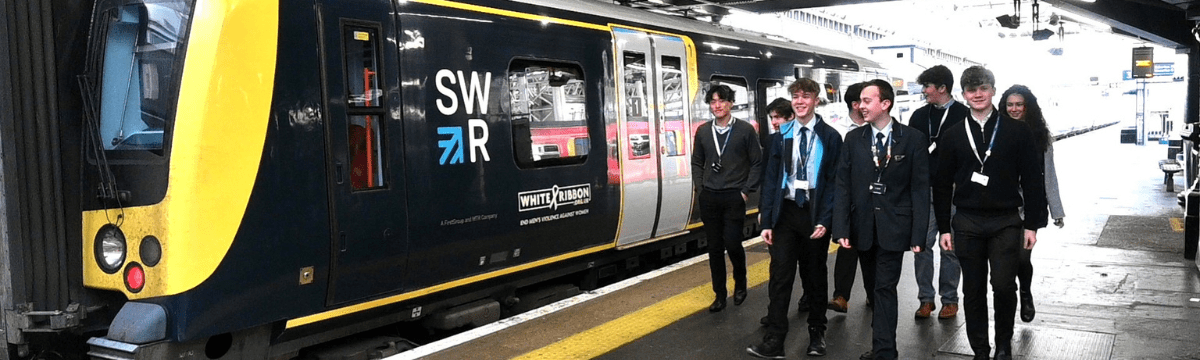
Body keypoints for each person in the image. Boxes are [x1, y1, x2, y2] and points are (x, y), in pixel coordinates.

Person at [934, 66, 1047, 360]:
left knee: (1003, 285)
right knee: (972, 290)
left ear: (993, 91)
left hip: (1007, 221)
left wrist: (1032, 224)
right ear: (964, 95)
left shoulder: (1016, 131)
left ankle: (1004, 344)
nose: (978, 95)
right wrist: (944, 228)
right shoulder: (953, 134)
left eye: (983, 89)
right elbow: (942, 184)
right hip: (967, 221)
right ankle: (980, 350)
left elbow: (1033, 179)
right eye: (971, 90)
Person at [833, 79, 930, 360]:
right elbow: (843, 186)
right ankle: (880, 344)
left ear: (885, 104)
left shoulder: (912, 139)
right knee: (874, 289)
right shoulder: (853, 140)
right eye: (860, 102)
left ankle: (885, 351)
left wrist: (918, 236)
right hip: (862, 226)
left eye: (866, 101)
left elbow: (920, 189)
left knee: (885, 288)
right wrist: (841, 228)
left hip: (895, 227)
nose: (860, 106)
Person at [747, 78, 841, 358]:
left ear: (816, 100)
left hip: (813, 214)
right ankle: (775, 339)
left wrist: (826, 219)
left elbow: (835, 182)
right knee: (780, 276)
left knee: (814, 276)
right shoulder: (779, 137)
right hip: (786, 214)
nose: (800, 101)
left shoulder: (831, 137)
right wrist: (766, 222)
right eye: (795, 97)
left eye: (806, 96)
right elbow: (771, 179)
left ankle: (817, 332)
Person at [692, 84, 763, 313]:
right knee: (714, 247)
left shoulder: (744, 130)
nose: (717, 105)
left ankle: (740, 284)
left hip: (734, 195)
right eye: (713, 102)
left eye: (721, 101)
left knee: (732, 243)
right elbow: (696, 162)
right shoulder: (703, 131)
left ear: (731, 103)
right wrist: (700, 188)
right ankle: (720, 294)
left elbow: (756, 162)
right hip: (710, 196)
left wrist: (745, 190)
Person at [1000, 84, 1065, 323]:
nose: (1014, 109)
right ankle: (1010, 295)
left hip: (1030, 207)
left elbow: (1049, 174)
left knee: (1022, 258)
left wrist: (1056, 209)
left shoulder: (1040, 135)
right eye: (1010, 105)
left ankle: (1025, 293)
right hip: (1003, 205)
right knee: (1006, 259)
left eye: (1019, 105)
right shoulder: (997, 132)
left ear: (1028, 107)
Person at [906, 65, 967, 319]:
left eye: (927, 87)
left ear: (942, 88)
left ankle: (950, 299)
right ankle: (925, 299)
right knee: (921, 246)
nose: (924, 91)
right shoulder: (919, 116)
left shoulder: (964, 115)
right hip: (924, 190)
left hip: (953, 191)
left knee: (949, 246)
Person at [829, 82, 876, 313]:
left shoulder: (879, 129)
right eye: (865, 100)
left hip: (872, 200)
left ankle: (873, 294)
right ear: (856, 104)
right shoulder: (838, 131)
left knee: (869, 250)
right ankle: (841, 296)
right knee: (846, 246)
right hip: (847, 199)